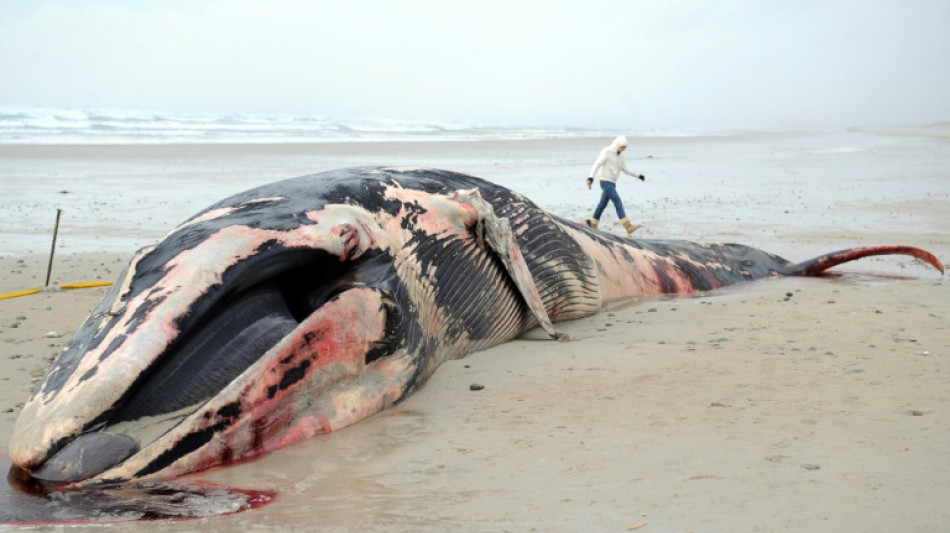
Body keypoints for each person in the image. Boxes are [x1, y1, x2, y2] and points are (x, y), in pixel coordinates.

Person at [584, 135, 645, 236]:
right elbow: (597, 164)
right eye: (622, 147)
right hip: (605, 181)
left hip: (612, 183)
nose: (623, 150)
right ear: (617, 144)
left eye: (624, 148)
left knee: (602, 204)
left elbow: (627, 169)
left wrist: (638, 175)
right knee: (618, 201)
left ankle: (593, 224)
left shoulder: (620, 157)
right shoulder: (607, 151)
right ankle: (628, 226)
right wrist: (590, 177)